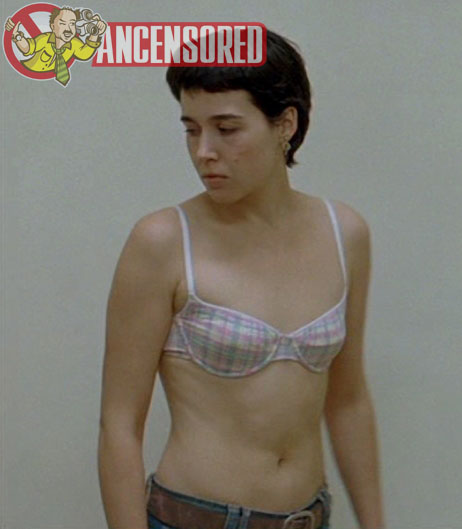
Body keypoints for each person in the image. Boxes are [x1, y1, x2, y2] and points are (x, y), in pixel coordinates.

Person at [98, 29, 384, 529]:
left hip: (310, 516)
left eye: (226, 129)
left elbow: (348, 400)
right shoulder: (164, 242)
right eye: (191, 130)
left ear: (285, 124)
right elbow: (119, 426)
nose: (204, 151)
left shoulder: (345, 234)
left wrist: (375, 523)